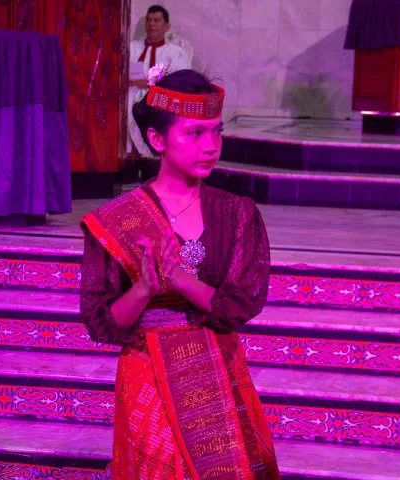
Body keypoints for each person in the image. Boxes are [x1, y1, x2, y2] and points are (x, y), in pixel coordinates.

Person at [80, 66, 281, 479]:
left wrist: (183, 282)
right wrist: (143, 289)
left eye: (216, 131)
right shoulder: (117, 219)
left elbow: (239, 305)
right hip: (147, 372)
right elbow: (103, 323)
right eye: (194, 133)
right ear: (157, 140)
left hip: (217, 370)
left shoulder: (236, 213)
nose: (211, 146)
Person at [128, 5, 189, 154]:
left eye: (156, 20)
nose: (151, 24)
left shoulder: (174, 52)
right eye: (148, 20)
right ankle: (128, 154)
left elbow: (179, 79)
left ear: (167, 26)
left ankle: (154, 155)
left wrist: (150, 83)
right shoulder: (132, 48)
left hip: (160, 98)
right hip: (130, 95)